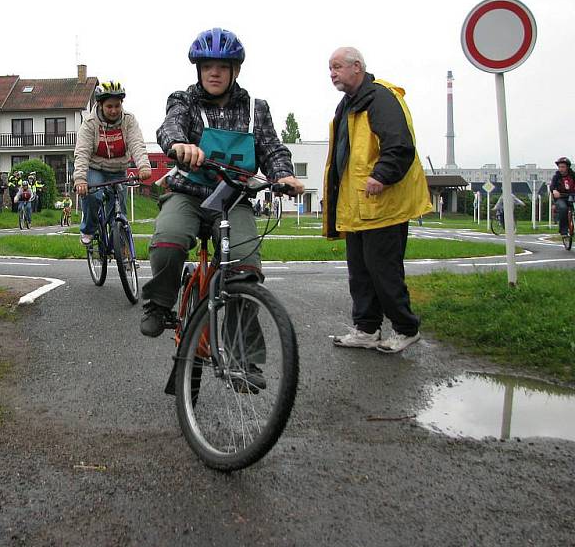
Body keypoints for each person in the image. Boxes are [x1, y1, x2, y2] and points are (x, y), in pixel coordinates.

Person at [140, 28, 304, 338]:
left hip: (233, 200)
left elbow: (271, 148)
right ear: (199, 70)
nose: (214, 73)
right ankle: (159, 304)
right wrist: (178, 144)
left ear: (235, 70)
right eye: (207, 66)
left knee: (247, 270)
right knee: (168, 240)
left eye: (222, 67)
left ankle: (242, 353)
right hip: (188, 194)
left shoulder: (256, 109)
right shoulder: (184, 100)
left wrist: (282, 174)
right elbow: (170, 125)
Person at [324, 47, 432, 354]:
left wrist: (382, 175)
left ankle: (406, 328)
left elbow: (399, 142)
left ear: (356, 67)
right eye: (330, 69)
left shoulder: (380, 97)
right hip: (357, 206)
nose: (332, 73)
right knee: (360, 271)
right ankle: (366, 329)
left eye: (337, 67)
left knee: (383, 270)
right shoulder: (347, 105)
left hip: (383, 204)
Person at [73, 80, 151, 244]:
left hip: (118, 169)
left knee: (119, 208)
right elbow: (82, 152)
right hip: (95, 168)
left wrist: (143, 166)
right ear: (100, 105)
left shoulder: (128, 120)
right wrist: (80, 179)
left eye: (117, 105)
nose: (114, 110)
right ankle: (89, 230)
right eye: (109, 106)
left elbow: (136, 143)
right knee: (93, 196)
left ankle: (120, 243)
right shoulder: (89, 124)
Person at [551, 157, 575, 236]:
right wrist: (554, 191)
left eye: (563, 167)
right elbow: (552, 186)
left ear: (567, 167)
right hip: (561, 197)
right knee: (563, 208)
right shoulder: (556, 177)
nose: (561, 169)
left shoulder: (573, 175)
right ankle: (563, 230)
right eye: (559, 167)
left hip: (572, 195)